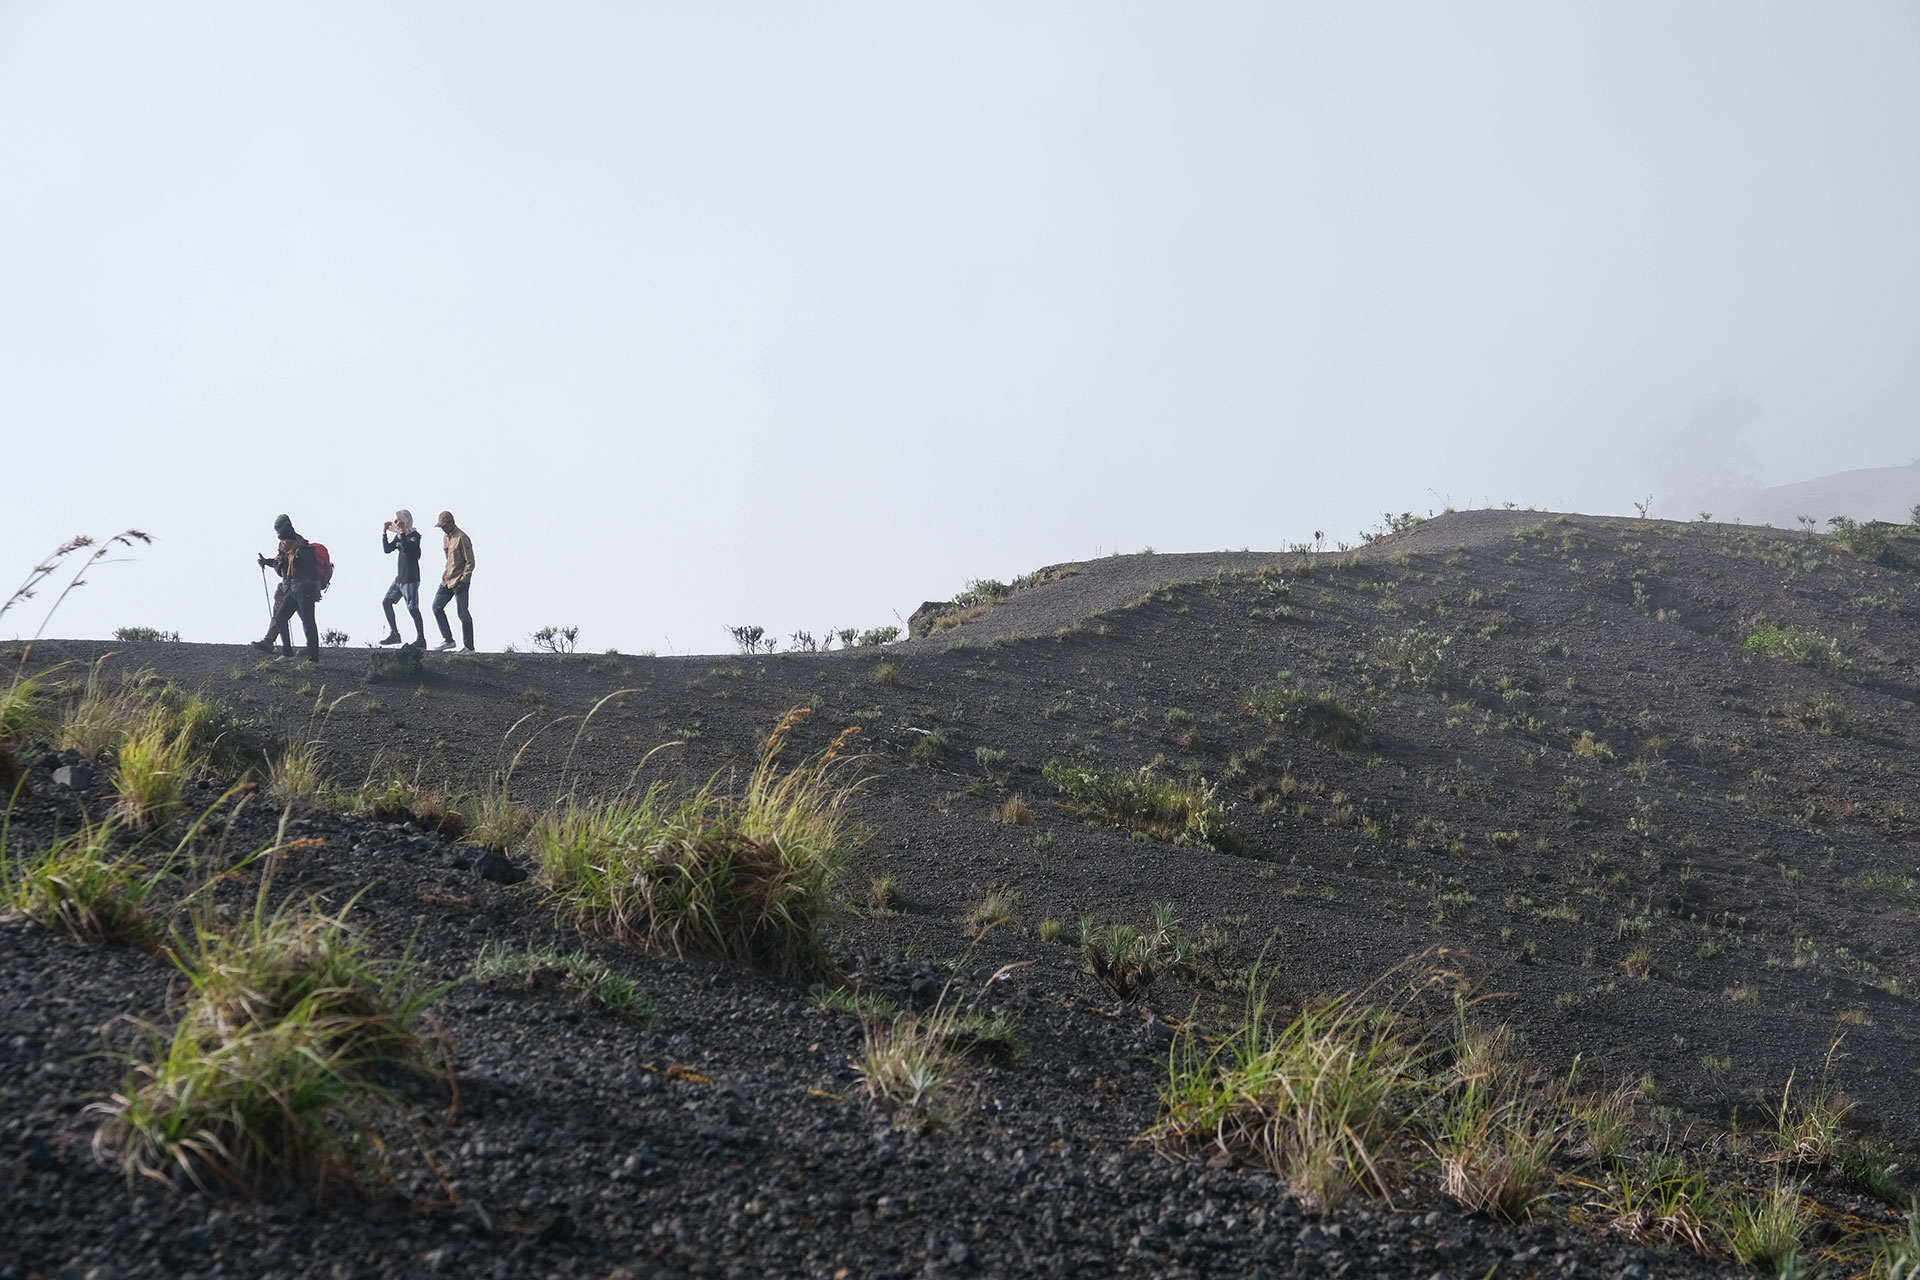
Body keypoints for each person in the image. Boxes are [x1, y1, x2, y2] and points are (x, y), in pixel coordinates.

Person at [251, 514, 321, 663]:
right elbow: (279, 565)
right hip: (291, 589)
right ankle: (286, 652)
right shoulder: (286, 549)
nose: (282, 542)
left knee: (308, 622)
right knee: (282, 617)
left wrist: (316, 591)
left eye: (283, 539)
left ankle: (313, 657)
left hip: (304, 591)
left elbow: (313, 572)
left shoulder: (303, 550)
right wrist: (268, 562)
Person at [377, 509, 425, 647]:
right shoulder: (400, 536)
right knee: (386, 602)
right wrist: (384, 533)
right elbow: (387, 549)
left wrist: (402, 532)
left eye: (398, 520)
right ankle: (394, 633)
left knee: (413, 609)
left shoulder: (414, 536)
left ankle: (421, 639)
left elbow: (406, 548)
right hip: (400, 578)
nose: (396, 523)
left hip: (411, 577)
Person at [431, 510, 476, 654]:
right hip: (447, 579)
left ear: (451, 523)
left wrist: (464, 579)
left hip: (460, 581)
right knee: (436, 607)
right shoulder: (446, 537)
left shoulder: (462, 537)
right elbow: (447, 558)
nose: (443, 529)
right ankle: (448, 640)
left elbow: (470, 561)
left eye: (444, 526)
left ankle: (469, 647)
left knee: (462, 613)